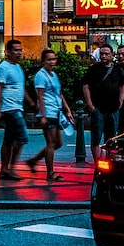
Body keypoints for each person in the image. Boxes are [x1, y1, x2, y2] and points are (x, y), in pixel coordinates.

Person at [27, 48, 74, 181]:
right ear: (43, 62)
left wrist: (67, 109)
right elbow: (40, 96)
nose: (52, 62)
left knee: (58, 143)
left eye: (53, 59)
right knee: (51, 143)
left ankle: (34, 160)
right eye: (49, 59)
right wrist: (42, 115)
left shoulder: (54, 75)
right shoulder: (40, 76)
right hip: (47, 111)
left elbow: (59, 93)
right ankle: (50, 172)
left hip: (57, 111)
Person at [0, 39, 31, 181]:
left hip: (17, 107)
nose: (19, 53)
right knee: (22, 137)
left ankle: (4, 170)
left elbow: (21, 87)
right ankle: (12, 168)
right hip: (9, 108)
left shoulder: (17, 67)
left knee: (8, 140)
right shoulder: (3, 68)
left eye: (20, 50)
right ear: (7, 52)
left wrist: (30, 102)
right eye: (15, 50)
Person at [82, 44, 124, 160]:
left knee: (111, 139)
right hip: (98, 109)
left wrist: (121, 99)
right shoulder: (94, 69)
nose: (104, 56)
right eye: (102, 53)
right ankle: (98, 163)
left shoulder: (117, 69)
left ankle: (108, 161)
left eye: (106, 54)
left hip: (113, 109)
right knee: (96, 138)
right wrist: (90, 105)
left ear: (112, 55)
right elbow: (85, 86)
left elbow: (123, 84)